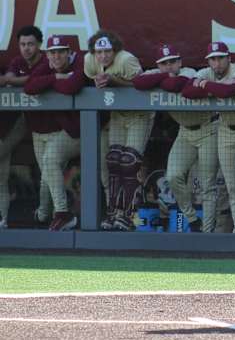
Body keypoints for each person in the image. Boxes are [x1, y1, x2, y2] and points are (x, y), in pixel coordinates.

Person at [134, 43, 217, 232]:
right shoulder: (157, 73)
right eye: (164, 63)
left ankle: (209, 230)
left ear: (180, 62)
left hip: (209, 128)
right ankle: (192, 218)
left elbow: (176, 84)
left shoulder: (189, 72)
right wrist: (163, 75)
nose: (169, 66)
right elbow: (138, 82)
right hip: (185, 132)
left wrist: (161, 78)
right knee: (173, 176)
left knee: (207, 184)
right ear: (158, 65)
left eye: (173, 62)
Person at [183, 41, 235, 233]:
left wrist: (206, 87)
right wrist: (211, 86)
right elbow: (187, 91)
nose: (216, 63)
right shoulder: (205, 72)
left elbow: (230, 90)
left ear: (229, 58)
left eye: (220, 58)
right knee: (231, 182)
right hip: (225, 128)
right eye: (212, 59)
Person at [84, 29, 146, 231]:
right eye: (99, 52)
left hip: (139, 114)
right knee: (113, 162)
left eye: (107, 51)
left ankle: (128, 216)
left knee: (130, 163)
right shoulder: (90, 60)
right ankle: (113, 214)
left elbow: (142, 87)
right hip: (118, 114)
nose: (102, 56)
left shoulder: (126, 60)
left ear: (115, 50)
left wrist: (113, 81)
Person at [24, 35, 85, 230]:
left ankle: (113, 219)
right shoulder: (49, 67)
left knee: (109, 174)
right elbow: (29, 87)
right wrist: (55, 78)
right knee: (49, 162)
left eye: (60, 52)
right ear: (47, 54)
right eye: (52, 52)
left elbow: (72, 86)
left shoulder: (80, 62)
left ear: (69, 53)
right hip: (73, 132)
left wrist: (50, 84)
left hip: (96, 129)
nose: (56, 57)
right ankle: (62, 213)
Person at [0, 26, 50, 226]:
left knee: (48, 169)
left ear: (39, 45)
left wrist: (13, 80)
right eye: (22, 44)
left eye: (30, 44)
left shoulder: (47, 60)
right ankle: (2, 217)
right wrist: (12, 80)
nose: (26, 48)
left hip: (51, 124)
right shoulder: (17, 61)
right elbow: (9, 80)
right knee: (1, 172)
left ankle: (49, 213)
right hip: (18, 122)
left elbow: (33, 81)